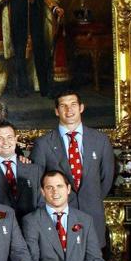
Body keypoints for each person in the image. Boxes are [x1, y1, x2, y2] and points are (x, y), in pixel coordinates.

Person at [30, 91, 115, 247]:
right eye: (63, 106)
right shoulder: (43, 143)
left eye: (73, 105)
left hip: (92, 215)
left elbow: (107, 177)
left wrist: (90, 198)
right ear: (57, 111)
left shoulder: (100, 140)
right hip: (58, 218)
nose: (69, 110)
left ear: (81, 107)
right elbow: (37, 183)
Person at [0, 121, 42, 219]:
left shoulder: (34, 170)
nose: (5, 142)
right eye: (0, 138)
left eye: (9, 137)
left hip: (30, 229)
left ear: (16, 139)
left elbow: (42, 204)